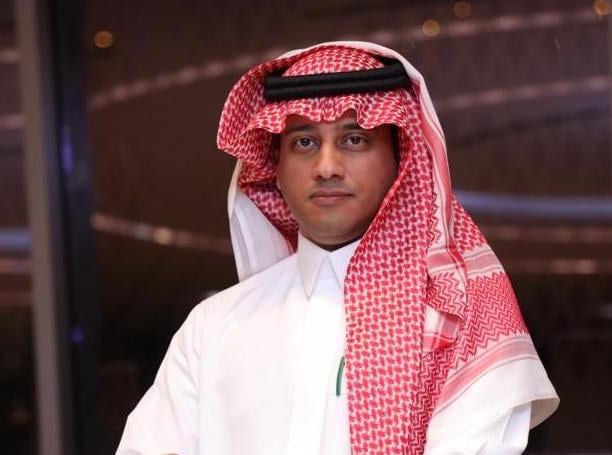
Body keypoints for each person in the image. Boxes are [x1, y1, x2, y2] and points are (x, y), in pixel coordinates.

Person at [116, 41, 559, 455]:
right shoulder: (213, 329)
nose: (327, 166)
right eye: (304, 142)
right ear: (275, 166)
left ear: (400, 159)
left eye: (354, 139)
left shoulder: (464, 319)